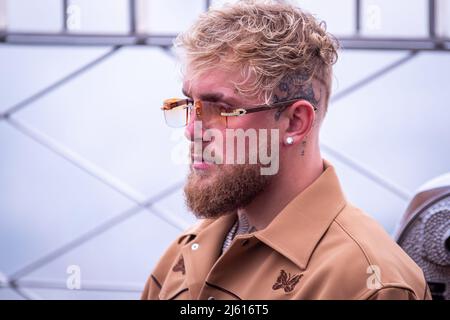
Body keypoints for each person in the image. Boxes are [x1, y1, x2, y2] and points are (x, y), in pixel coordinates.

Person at [141, 0, 431, 300]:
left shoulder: (367, 284)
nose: (191, 130)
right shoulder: (185, 254)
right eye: (191, 104)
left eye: (223, 109)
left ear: (295, 122)